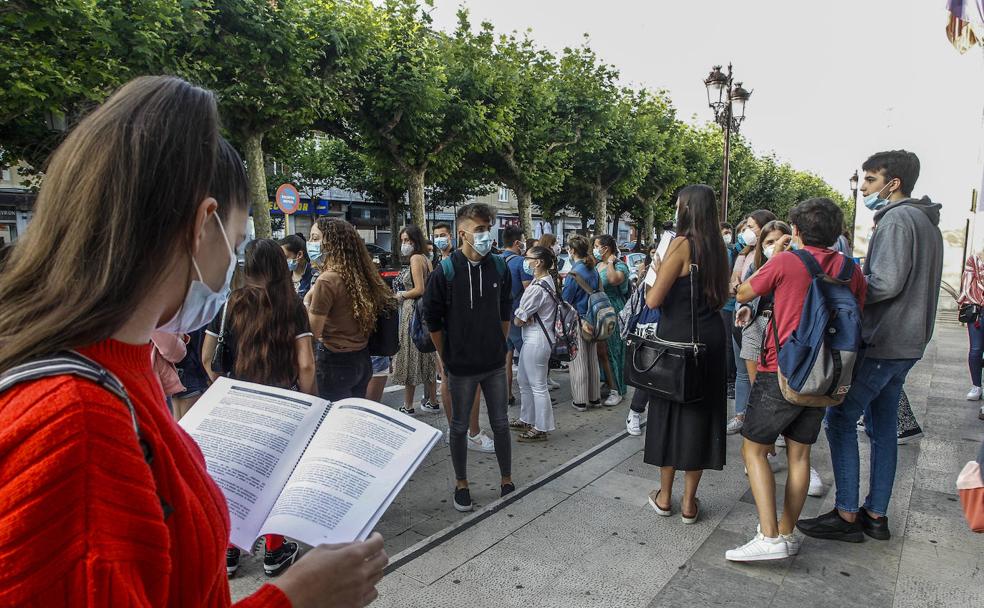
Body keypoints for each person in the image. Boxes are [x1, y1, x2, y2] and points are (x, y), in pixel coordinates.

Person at [0, 76, 386, 606]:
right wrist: (295, 597)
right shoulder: (75, 424)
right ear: (204, 224)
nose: (237, 261)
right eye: (240, 238)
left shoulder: (115, 365)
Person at [798, 150, 942, 542]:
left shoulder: (897, 220)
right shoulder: (926, 222)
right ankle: (876, 514)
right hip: (907, 342)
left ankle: (847, 514)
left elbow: (885, 283)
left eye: (870, 180)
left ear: (893, 183)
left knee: (841, 420)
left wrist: (841, 284)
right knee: (882, 429)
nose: (863, 188)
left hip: (885, 341)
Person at [727, 198, 867, 561]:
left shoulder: (787, 261)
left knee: (754, 449)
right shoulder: (849, 268)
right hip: (825, 373)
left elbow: (743, 292)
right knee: (800, 454)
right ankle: (788, 532)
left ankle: (769, 535)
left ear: (799, 230)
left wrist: (775, 255)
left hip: (781, 369)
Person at [202, 238, 317, 577]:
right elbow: (307, 364)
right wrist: (310, 402)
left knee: (237, 479)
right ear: (280, 267)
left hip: (239, 405)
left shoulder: (230, 304)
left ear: (247, 267)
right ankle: (274, 550)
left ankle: (229, 552)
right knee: (275, 480)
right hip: (283, 404)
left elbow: (209, 359)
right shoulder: (292, 306)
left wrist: (225, 390)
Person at [643, 184, 729, 525]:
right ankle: (690, 503)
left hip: (677, 339)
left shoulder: (681, 244)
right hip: (711, 339)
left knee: (669, 413)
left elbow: (653, 300)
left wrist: (658, 266)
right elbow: (721, 296)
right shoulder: (718, 247)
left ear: (687, 209)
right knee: (701, 416)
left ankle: (665, 496)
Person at [423, 203, 514, 512]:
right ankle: (461, 483)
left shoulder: (498, 267)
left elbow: (505, 311)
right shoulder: (446, 271)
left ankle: (506, 479)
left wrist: (497, 345)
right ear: (462, 233)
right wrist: (446, 355)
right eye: (480, 230)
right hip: (460, 366)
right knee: (459, 427)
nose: (486, 235)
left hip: (493, 364)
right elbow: (432, 319)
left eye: (489, 228)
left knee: (501, 423)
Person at [308, 217, 397, 402]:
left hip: (334, 362)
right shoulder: (361, 275)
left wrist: (307, 302)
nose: (310, 244)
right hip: (361, 359)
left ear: (331, 243)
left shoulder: (327, 280)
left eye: (315, 238)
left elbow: (313, 332)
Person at [433, 223, 495, 453]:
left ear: (453, 236)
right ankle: (464, 432)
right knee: (452, 381)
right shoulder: (440, 263)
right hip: (451, 332)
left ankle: (466, 431)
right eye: (436, 236)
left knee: (464, 382)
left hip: (469, 331)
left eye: (443, 236)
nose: (440, 239)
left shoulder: (460, 261)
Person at [728, 209, 777, 433]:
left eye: (751, 226)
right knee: (742, 373)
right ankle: (742, 416)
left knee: (762, 380)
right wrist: (743, 298)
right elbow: (738, 288)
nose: (746, 231)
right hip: (743, 319)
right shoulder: (747, 256)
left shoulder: (780, 262)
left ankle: (764, 428)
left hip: (767, 327)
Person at [509, 246, 562, 442]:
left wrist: (521, 317)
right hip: (533, 338)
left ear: (538, 262)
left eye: (528, 257)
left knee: (538, 385)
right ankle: (527, 418)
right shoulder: (544, 281)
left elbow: (519, 319)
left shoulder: (538, 287)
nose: (525, 260)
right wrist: (523, 316)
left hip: (537, 340)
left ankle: (541, 427)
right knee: (524, 380)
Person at [392, 225, 439, 414]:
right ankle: (433, 401)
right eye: (402, 240)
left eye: (408, 241)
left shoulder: (415, 259)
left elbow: (420, 289)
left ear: (416, 241)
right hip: (423, 311)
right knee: (426, 356)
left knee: (409, 356)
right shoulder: (426, 259)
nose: (405, 244)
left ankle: (408, 405)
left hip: (413, 311)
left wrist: (400, 295)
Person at [562, 234, 602, 411]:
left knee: (578, 361)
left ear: (572, 250)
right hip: (594, 318)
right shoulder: (593, 269)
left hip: (578, 320)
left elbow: (566, 300)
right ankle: (594, 398)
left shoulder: (574, 273)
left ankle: (580, 400)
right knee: (592, 360)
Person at [595, 234, 631, 406]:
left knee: (612, 350)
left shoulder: (619, 266)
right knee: (601, 351)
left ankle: (617, 389)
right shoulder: (597, 264)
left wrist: (610, 262)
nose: (595, 249)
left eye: (596, 246)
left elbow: (613, 279)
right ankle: (607, 383)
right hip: (598, 309)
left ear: (606, 248)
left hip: (613, 310)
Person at [500, 225, 532, 406]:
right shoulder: (522, 262)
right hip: (518, 318)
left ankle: (506, 395)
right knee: (527, 360)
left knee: (506, 357)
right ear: (517, 242)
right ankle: (530, 396)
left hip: (500, 317)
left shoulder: (495, 260)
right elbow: (529, 290)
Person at [958, 249, 984, 417]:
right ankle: (976, 386)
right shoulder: (974, 259)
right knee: (975, 351)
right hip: (978, 310)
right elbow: (967, 284)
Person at [720, 221, 737, 394]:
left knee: (729, 345)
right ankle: (728, 379)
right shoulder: (722, 252)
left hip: (730, 304)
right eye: (724, 232)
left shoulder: (730, 251)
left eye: (729, 231)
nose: (727, 235)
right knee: (727, 344)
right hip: (724, 304)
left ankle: (729, 379)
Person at [279, 234, 313, 298]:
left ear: (299, 255)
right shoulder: (283, 277)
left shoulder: (314, 276)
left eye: (285, 257)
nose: (281, 262)